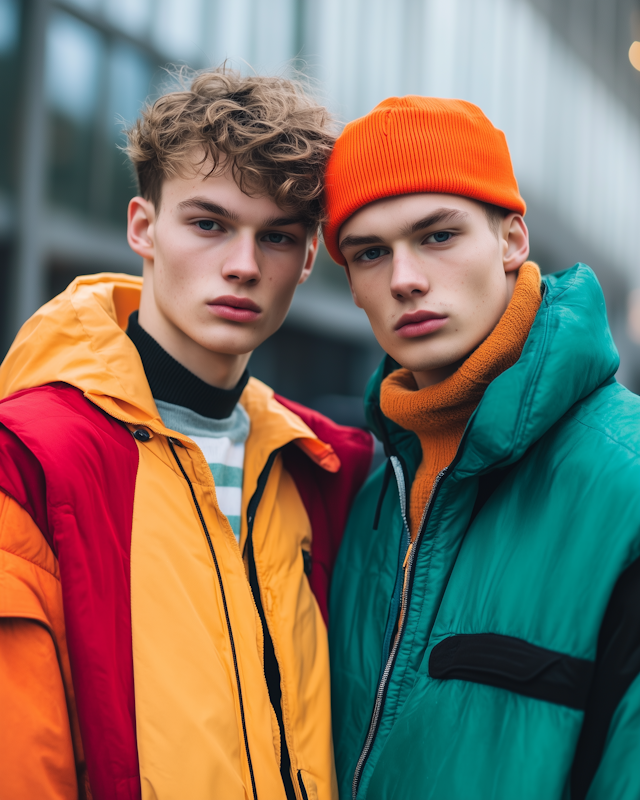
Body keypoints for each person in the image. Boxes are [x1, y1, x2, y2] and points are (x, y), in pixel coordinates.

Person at [0, 68, 372, 800]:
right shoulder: (29, 459)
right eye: (209, 224)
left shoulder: (326, 470)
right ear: (142, 225)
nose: (241, 266)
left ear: (305, 261)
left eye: (275, 237)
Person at [324, 96, 640, 800]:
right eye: (370, 252)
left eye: (437, 235)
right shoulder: (371, 497)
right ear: (351, 286)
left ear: (512, 240)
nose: (404, 278)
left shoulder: (627, 482)